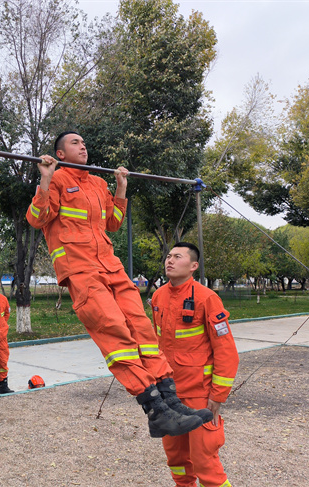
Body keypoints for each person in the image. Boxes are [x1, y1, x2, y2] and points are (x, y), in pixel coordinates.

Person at [26, 131, 211, 438]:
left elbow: (112, 222)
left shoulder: (98, 183)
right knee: (114, 329)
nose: (83, 146)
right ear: (59, 154)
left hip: (110, 266)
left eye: (84, 142)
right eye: (74, 143)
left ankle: (171, 401)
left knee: (142, 328)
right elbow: (37, 218)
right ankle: (155, 409)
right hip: (80, 269)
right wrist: (45, 178)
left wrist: (121, 187)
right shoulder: (56, 179)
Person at [150, 242, 239, 487]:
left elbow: (227, 352)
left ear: (193, 266)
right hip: (169, 394)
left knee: (204, 461)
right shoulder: (158, 296)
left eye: (177, 257)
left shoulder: (207, 299)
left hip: (199, 395)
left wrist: (217, 395)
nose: (169, 260)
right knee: (176, 458)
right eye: (169, 256)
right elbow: (157, 344)